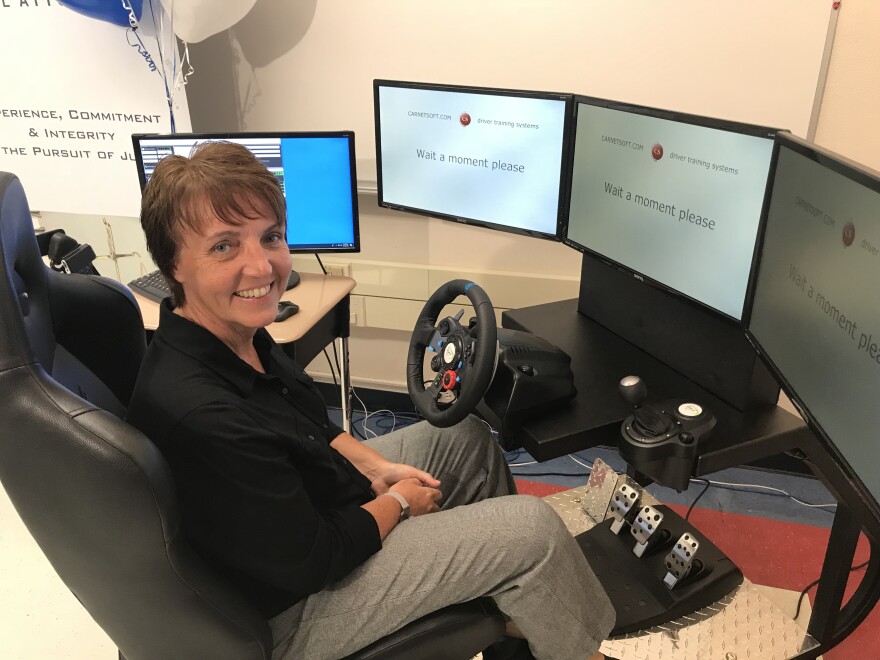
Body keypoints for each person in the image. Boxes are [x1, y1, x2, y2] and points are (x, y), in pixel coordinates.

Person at [126, 141, 615, 660]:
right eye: (224, 246)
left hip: (309, 517)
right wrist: (398, 503)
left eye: (270, 237)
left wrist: (376, 467)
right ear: (172, 264)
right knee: (532, 533)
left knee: (465, 439)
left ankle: (515, 619)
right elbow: (314, 558)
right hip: (293, 611)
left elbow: (309, 421)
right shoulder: (202, 413)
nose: (261, 267)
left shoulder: (231, 335)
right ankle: (576, 649)